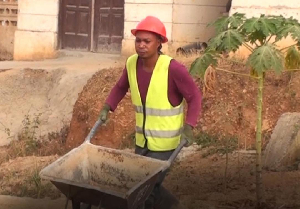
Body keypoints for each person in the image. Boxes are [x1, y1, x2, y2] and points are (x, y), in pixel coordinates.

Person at [99, 16, 202, 209]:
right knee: (145, 185)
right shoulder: (131, 64)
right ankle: (173, 206)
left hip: (165, 144)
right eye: (138, 40)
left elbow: (195, 97)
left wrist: (189, 126)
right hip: (142, 140)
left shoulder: (173, 69)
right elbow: (121, 87)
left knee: (145, 188)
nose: (141, 45)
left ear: (159, 43)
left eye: (147, 41)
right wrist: (107, 107)